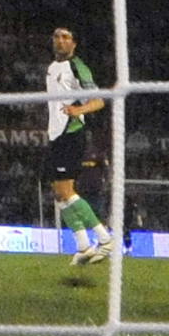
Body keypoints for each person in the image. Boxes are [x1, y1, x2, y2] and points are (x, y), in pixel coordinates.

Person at [45, 26, 114, 266]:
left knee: (66, 191)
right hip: (56, 135)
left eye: (65, 38)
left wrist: (78, 110)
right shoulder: (53, 68)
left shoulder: (78, 67)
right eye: (57, 37)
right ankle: (84, 246)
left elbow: (98, 101)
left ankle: (105, 239)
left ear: (74, 44)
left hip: (71, 134)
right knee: (58, 193)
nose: (60, 41)